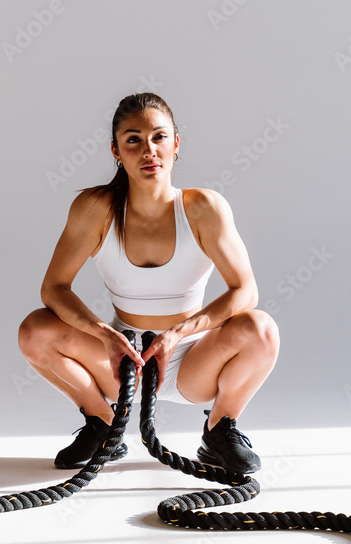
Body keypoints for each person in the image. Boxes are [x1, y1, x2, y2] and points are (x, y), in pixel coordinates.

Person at [18, 92, 279, 473]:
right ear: (116, 151)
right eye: (133, 140)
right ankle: (102, 424)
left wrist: (177, 334)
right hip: (123, 361)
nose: (148, 151)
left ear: (175, 144)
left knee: (262, 330)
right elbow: (54, 288)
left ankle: (220, 428)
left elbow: (246, 290)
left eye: (158, 137)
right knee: (34, 331)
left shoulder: (204, 208)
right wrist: (106, 335)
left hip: (193, 360)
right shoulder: (95, 210)